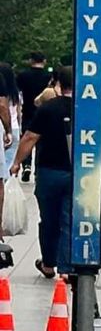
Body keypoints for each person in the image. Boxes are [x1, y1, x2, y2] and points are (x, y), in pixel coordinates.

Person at [9, 67, 75, 279]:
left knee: (48, 219)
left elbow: (30, 137)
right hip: (78, 172)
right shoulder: (86, 108)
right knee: (69, 218)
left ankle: (48, 263)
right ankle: (66, 269)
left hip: (49, 172)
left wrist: (17, 162)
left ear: (57, 83)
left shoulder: (48, 109)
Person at [15, 54, 49, 183]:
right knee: (41, 142)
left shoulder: (23, 76)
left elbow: (18, 94)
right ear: (44, 61)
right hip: (44, 112)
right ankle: (38, 169)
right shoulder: (48, 77)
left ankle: (27, 165)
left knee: (27, 138)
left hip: (28, 111)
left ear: (30, 61)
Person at [0, 65, 21, 222]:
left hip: (7, 128)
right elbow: (17, 112)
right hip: (12, 128)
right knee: (5, 169)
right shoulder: (14, 94)